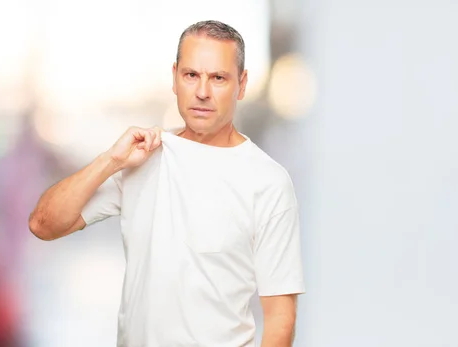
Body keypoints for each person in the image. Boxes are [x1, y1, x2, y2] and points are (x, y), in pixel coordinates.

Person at [29, 20, 305, 347]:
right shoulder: (141, 158)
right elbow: (43, 224)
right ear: (175, 77)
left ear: (241, 85)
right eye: (191, 75)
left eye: (218, 78)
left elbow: (280, 317)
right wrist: (111, 160)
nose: (202, 92)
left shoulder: (267, 181)